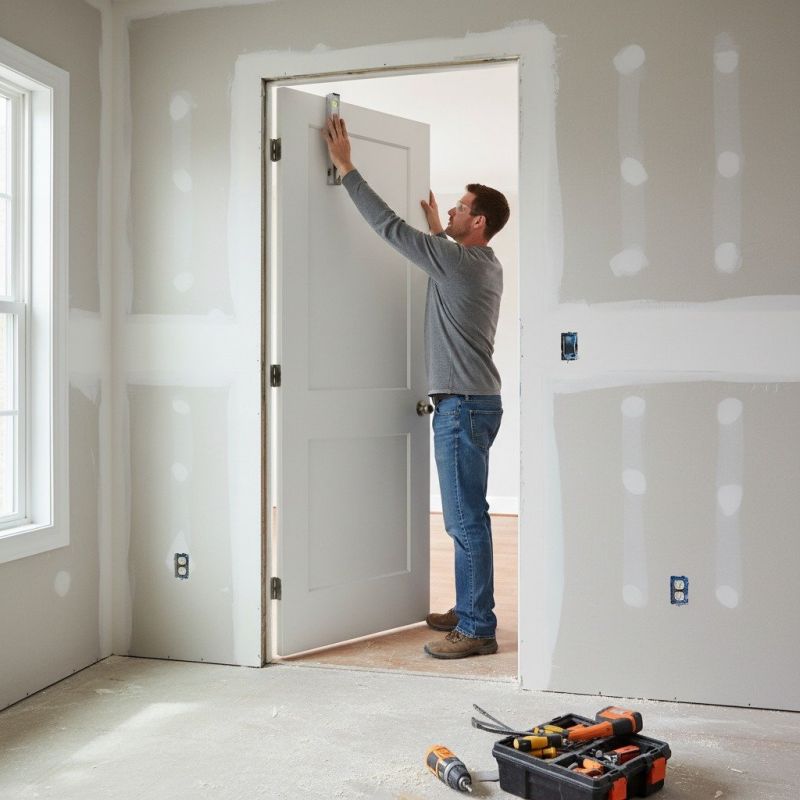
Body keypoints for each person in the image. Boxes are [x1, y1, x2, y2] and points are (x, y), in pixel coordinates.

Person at [324, 116, 510, 659]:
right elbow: (442, 258)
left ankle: (477, 628)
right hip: (477, 403)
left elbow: (387, 227)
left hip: (462, 407)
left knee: (464, 520)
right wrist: (438, 231)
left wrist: (346, 167)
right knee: (469, 516)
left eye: (458, 206)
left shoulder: (455, 260)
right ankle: (469, 607)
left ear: (477, 221)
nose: (448, 209)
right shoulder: (481, 262)